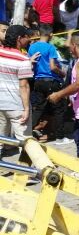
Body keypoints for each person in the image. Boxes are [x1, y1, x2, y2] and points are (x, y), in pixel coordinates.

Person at [27, 25, 67, 143]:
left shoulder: (32, 47)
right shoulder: (50, 48)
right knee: (59, 109)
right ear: (51, 34)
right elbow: (52, 66)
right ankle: (60, 137)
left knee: (38, 108)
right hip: (51, 80)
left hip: (38, 81)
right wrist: (62, 73)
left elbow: (31, 64)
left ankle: (27, 133)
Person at [0, 26, 33, 154]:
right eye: (26, 38)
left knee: (1, 139)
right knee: (25, 142)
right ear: (19, 38)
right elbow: (23, 86)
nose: (29, 40)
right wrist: (26, 109)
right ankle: (26, 172)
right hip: (16, 105)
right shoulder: (23, 59)